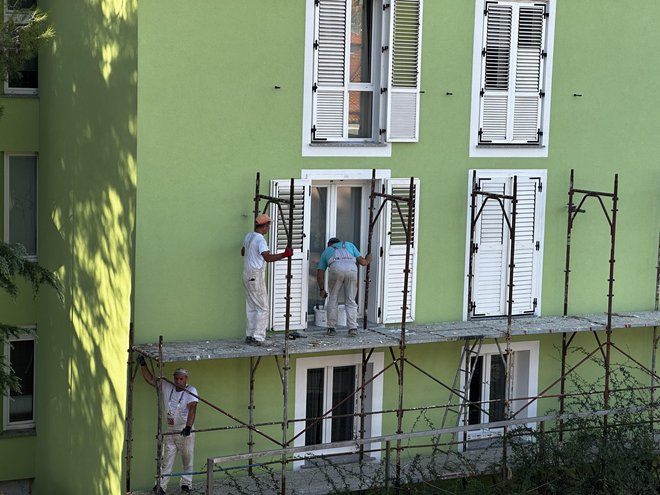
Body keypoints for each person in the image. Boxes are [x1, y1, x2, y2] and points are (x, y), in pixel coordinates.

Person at [137, 356, 198, 494]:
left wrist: (188, 427)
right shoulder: (167, 385)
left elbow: (193, 409)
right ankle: (161, 486)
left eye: (181, 379)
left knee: (187, 459)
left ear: (186, 379)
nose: (178, 381)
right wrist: (143, 364)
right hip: (170, 430)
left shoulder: (191, 391)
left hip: (184, 430)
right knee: (166, 460)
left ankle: (186, 484)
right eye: (176, 378)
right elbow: (151, 379)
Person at [241, 213, 293, 345]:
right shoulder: (260, 240)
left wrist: (252, 254)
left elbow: (243, 252)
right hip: (255, 275)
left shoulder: (249, 236)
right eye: (268, 226)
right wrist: (285, 254)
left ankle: (249, 336)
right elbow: (267, 258)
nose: (268, 228)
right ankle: (258, 338)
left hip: (246, 273)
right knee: (263, 308)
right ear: (263, 226)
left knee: (252, 306)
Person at [317, 237, 371, 337]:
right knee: (351, 299)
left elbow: (320, 273)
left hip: (336, 269)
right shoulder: (349, 245)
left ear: (330, 244)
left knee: (333, 298)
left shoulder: (327, 251)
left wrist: (321, 289)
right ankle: (352, 328)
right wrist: (369, 258)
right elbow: (363, 262)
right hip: (352, 269)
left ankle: (331, 328)